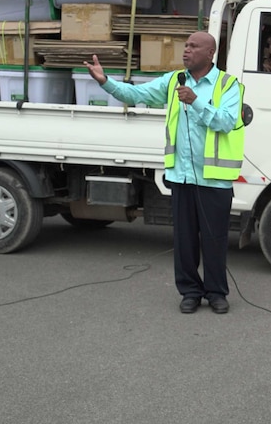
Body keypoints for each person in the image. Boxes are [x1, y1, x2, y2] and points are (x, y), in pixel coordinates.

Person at [83, 31, 244, 315]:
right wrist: (106, 82)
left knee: (215, 239)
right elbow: (137, 94)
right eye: (186, 46)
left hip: (214, 179)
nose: (186, 51)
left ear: (210, 54)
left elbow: (227, 122)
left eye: (194, 47)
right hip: (181, 176)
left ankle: (217, 292)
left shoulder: (228, 85)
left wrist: (195, 101)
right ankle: (190, 292)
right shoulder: (173, 81)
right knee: (184, 241)